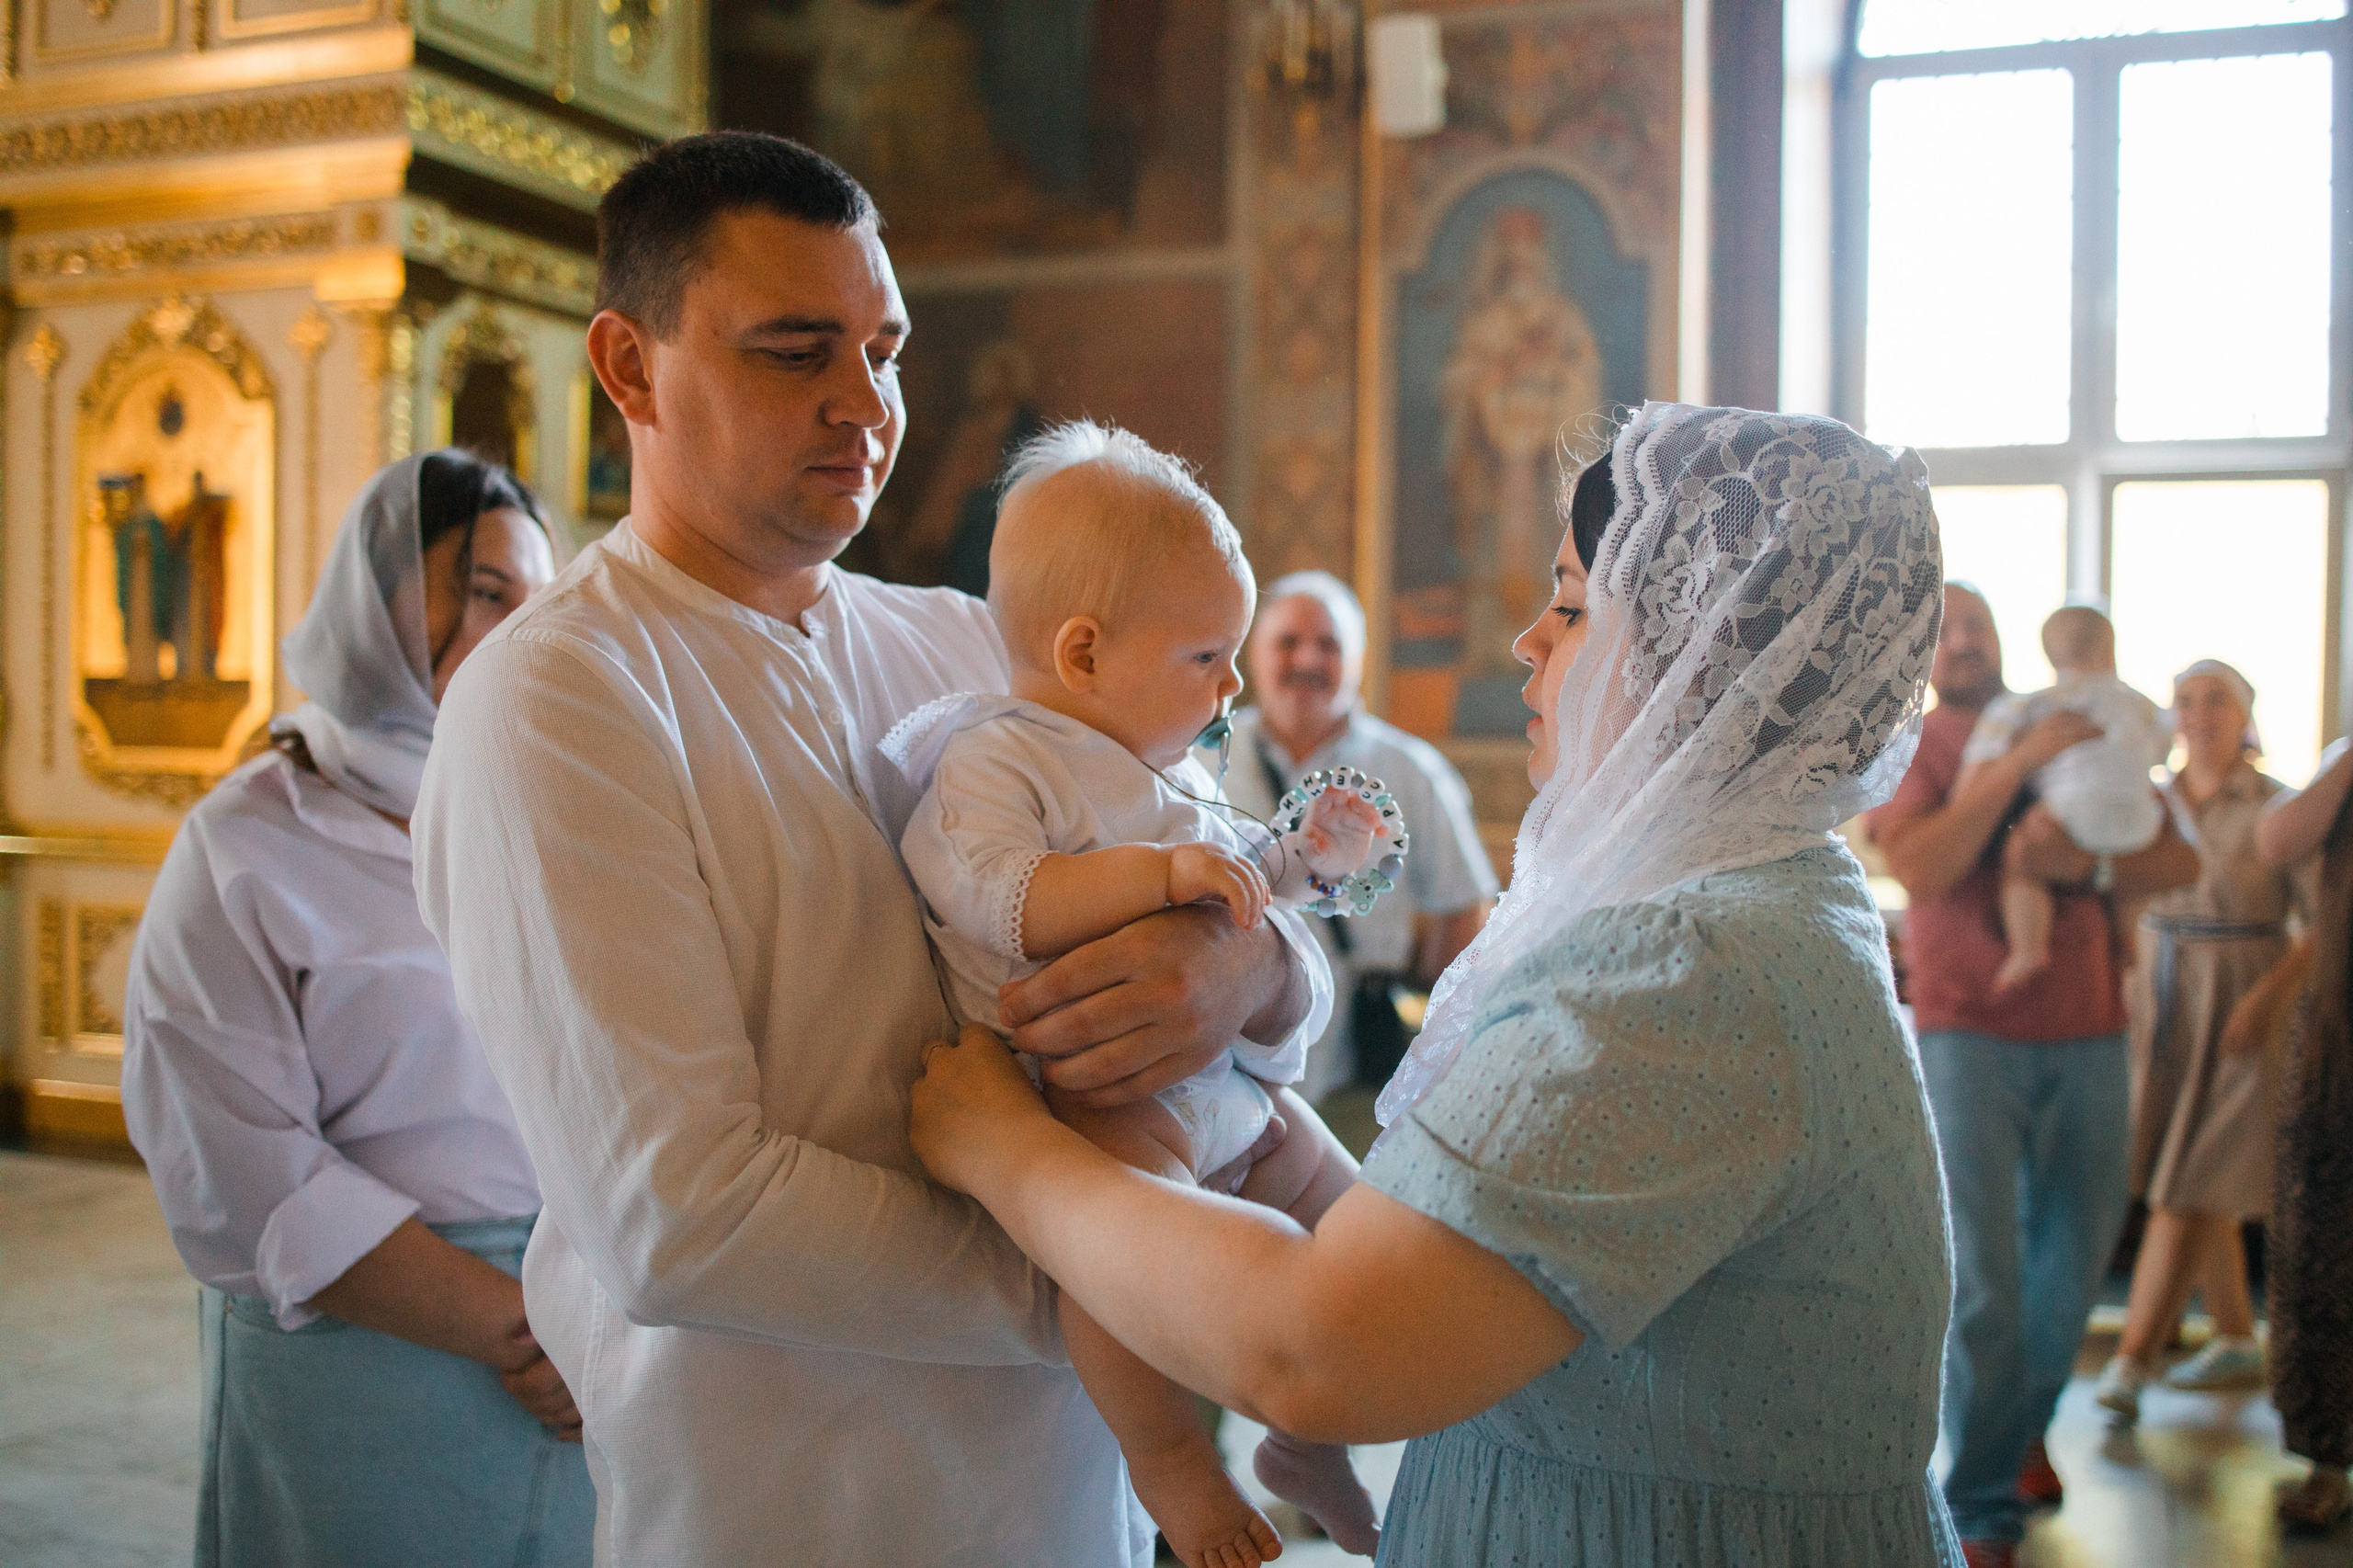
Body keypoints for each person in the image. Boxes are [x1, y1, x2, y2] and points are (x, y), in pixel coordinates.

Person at [410, 131, 1329, 1566]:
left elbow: (1231, 882)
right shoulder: (554, 700)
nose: (867, 405)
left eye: (885, 351)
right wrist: (1140, 1276)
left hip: (1075, 1489)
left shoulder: (967, 637)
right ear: (629, 368)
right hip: (794, 1498)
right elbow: (682, 1212)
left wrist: (1251, 975)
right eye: (794, 353)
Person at [911, 403, 1966, 1567]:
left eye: (1571, 604)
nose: (1527, 641)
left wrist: (1002, 1146)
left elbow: (1317, 1349)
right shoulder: (1761, 895)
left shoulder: (1690, 967)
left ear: (1693, 653)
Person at [889, 421, 1387, 1564]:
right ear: (1082, 654)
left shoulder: (1172, 768)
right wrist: (1160, 875)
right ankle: (1171, 1462)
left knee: (1357, 1220)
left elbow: (1246, 897)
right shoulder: (997, 758)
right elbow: (1000, 897)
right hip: (1094, 1095)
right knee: (1119, 1268)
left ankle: (1313, 1439)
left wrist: (1302, 860)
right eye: (1206, 656)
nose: (1228, 686)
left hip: (1229, 1089)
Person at [119, 450, 582, 1568]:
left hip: (583, 1330)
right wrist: (517, 1328)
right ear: (374, 603)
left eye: (534, 603)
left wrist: (591, 1313)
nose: (516, 634)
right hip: (361, 1341)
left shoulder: (564, 818)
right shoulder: (245, 846)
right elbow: (238, 1165)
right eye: (482, 592)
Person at [1868, 583, 2199, 1568]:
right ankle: (1982, 1503)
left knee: (2078, 1255)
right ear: (1921, 654)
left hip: (2091, 1024)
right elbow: (1923, 867)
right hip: (1967, 1028)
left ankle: (2015, 1432)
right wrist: (2015, 765)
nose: (1965, 641)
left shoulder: (2086, 718)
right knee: (1985, 1276)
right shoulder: (1918, 747)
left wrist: (2085, 869)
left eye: (1979, 625)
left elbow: (2174, 856)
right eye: (1946, 630)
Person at [2094, 661, 2302, 1420]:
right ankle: (2239, 1333)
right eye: (2186, 700)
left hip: (2243, 997)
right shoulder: (2152, 799)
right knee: (2181, 1158)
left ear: (2245, 709)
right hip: (2159, 991)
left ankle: (2130, 1359)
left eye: (2217, 699)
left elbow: (2318, 924)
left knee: (2188, 1178)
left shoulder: (2277, 806)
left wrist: (2268, 1001)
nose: (2199, 713)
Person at [1207, 570, 1496, 1102]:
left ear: (1358, 661)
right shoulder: (1202, 757)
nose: (1308, 661)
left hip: (1356, 1074)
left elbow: (1463, 913)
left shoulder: (1413, 772)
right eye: (1288, 643)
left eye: (1329, 645)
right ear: (1255, 654)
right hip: (1218, 1058)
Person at [1956, 605, 2171, 995]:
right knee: (2131, 883)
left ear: (2050, 656)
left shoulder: (2029, 704)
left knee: (2022, 861)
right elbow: (2162, 750)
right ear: (2111, 652)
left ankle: (2028, 948)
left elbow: (1980, 759)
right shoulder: (2139, 703)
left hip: (2072, 814)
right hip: (2139, 818)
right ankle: (2129, 945)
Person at [2252, 733, 2353, 1529]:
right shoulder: (2346, 759)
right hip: (2338, 1042)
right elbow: (2275, 841)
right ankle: (2327, 1460)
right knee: (2317, 1246)